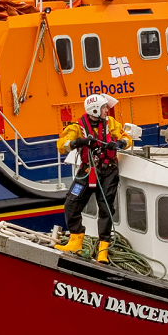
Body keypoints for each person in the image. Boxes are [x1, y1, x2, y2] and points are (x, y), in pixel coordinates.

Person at [55, 93, 133, 263]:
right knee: (71, 203)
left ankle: (103, 249)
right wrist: (79, 142)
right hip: (87, 171)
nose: (107, 110)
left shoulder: (111, 124)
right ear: (96, 109)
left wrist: (119, 144)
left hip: (108, 172)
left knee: (106, 209)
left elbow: (127, 139)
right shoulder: (77, 127)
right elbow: (62, 145)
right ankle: (76, 240)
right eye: (105, 107)